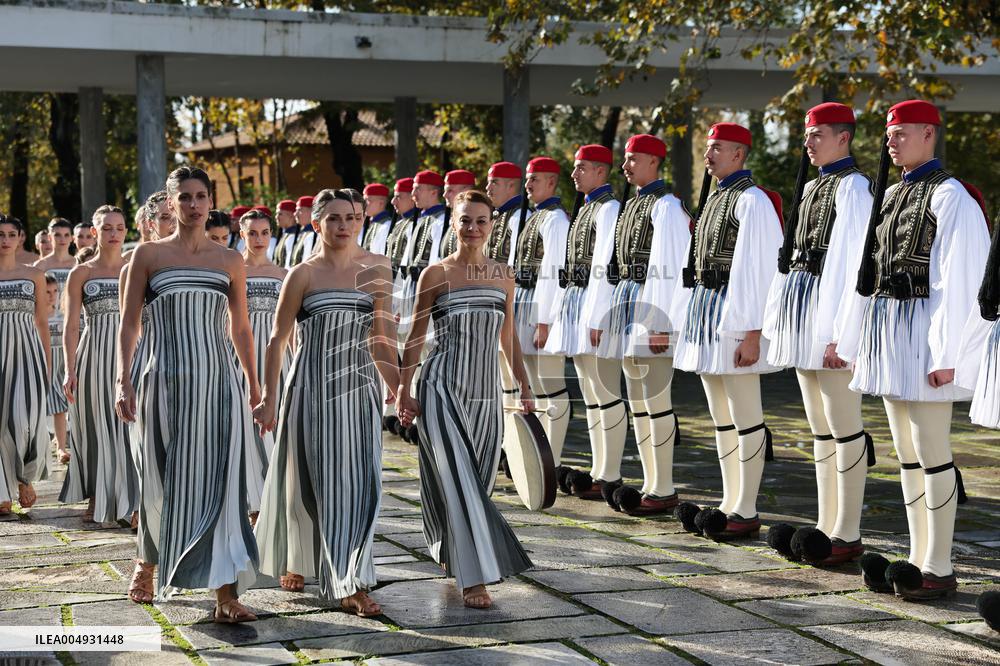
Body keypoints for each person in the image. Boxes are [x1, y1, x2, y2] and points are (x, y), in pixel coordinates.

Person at [841, 101, 989, 600]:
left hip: (925, 330)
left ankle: (940, 564)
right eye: (889, 133)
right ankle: (917, 556)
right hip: (890, 330)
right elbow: (867, 276)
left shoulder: (950, 196)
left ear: (929, 134)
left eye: (902, 133)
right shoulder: (891, 195)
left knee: (931, 447)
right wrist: (857, 338)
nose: (892, 141)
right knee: (905, 451)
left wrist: (947, 353)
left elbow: (958, 279)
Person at [116, 166, 260, 621]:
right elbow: (129, 322)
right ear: (171, 203)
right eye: (185, 198)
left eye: (201, 197)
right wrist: (123, 379)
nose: (194, 205)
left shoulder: (230, 260)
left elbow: (240, 327)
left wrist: (254, 385)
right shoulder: (148, 255)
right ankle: (147, 561)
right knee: (159, 476)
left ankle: (225, 595)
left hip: (219, 383)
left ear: (211, 201)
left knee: (222, 481)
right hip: (162, 380)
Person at [253, 188, 399, 616]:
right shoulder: (302, 274)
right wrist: (268, 398)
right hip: (311, 387)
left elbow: (382, 337)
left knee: (360, 484)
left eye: (353, 217)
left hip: (359, 390)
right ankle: (309, 564)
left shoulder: (378, 268)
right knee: (307, 479)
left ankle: (348, 574)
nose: (344, 225)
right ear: (316, 224)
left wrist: (400, 386)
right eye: (334, 218)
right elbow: (277, 340)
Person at [397, 189, 534, 609]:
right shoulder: (435, 275)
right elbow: (416, 336)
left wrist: (524, 385)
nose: (472, 228)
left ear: (493, 225)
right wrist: (403, 388)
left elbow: (507, 335)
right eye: (464, 220)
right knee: (458, 479)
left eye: (481, 220)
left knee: (477, 480)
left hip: (486, 394)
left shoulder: (504, 275)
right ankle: (475, 579)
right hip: (441, 388)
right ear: (452, 224)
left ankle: (451, 550)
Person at [761, 103, 875, 565]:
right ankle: (826, 524)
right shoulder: (811, 186)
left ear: (843, 137)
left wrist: (838, 334)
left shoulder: (855, 189)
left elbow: (852, 266)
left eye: (818, 136)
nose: (808, 143)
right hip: (805, 313)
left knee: (844, 427)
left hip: (830, 318)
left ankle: (847, 531)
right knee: (820, 430)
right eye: (807, 136)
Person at [670, 122, 783, 540]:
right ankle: (730, 501)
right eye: (708, 147)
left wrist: (753, 332)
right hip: (707, 312)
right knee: (721, 418)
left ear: (739, 154)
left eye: (717, 147)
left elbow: (760, 269)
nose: (708, 153)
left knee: (745, 416)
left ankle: (747, 506)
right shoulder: (716, 199)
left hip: (735, 314)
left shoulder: (751, 200)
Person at [588, 137, 690, 515]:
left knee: (656, 402)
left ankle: (663, 486)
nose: (626, 165)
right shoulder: (634, 205)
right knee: (640, 404)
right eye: (625, 159)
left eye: (633, 159)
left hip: (650, 312)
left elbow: (668, 267)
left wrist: (660, 323)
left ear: (653, 160)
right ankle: (651, 482)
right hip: (628, 306)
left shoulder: (665, 207)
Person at [60, 206, 138, 526]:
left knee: (128, 424)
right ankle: (96, 494)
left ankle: (132, 501)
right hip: (93, 354)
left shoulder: (135, 268)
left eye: (119, 228)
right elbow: (70, 325)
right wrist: (69, 368)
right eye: (106, 228)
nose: (114, 233)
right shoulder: (81, 273)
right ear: (95, 232)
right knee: (94, 423)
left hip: (127, 354)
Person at [512, 157, 571, 468]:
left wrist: (545, 321)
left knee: (552, 386)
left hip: (541, 306)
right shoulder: (536, 216)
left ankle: (554, 459)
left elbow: (552, 274)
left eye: (535, 179)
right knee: (534, 386)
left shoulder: (555, 220)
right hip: (525, 301)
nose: (528, 184)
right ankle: (539, 456)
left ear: (551, 182)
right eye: (528, 179)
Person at [238, 208, 289, 525]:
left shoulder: (283, 275)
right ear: (241, 234)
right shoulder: (232, 270)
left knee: (277, 427)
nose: (259, 239)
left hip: (275, 357)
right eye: (252, 233)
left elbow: (290, 326)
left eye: (264, 232)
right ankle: (253, 502)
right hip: (241, 357)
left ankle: (273, 498)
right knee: (246, 429)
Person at [0, 214, 50, 514]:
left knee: (22, 420)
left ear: (20, 238)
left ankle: (22, 478)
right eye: (0, 234)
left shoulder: (34, 275)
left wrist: (45, 363)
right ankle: (3, 491)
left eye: (10, 234)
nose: (5, 240)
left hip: (26, 355)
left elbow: (42, 322)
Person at [34, 218, 75, 462]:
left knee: (70, 391)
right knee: (46, 390)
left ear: (70, 237)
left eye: (65, 234)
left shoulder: (77, 264)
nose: (61, 239)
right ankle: (47, 444)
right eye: (56, 234)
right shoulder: (39, 265)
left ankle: (66, 444)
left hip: (71, 330)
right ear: (49, 236)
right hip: (46, 332)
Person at [44, 276, 70, 463]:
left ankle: (62, 447)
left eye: (55, 291)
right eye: (47, 291)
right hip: (44, 363)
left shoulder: (63, 314)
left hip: (61, 363)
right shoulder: (34, 316)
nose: (52, 296)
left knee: (61, 407)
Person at [438, 170, 476, 258]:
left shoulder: (477, 219)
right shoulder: (454, 218)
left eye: (450, 190)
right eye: (445, 190)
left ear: (466, 191)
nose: (444, 195)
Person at [360, 183, 392, 253]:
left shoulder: (386, 225)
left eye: (367, 201)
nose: (364, 205)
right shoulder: (371, 224)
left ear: (381, 203)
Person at [290, 196, 317, 265]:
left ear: (311, 211)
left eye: (299, 210)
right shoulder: (305, 233)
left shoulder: (313, 235)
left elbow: (306, 263)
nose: (295, 213)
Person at [272, 199, 299, 268]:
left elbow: (290, 265)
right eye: (276, 214)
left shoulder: (294, 236)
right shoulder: (286, 234)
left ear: (291, 215)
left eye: (280, 214)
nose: (276, 217)